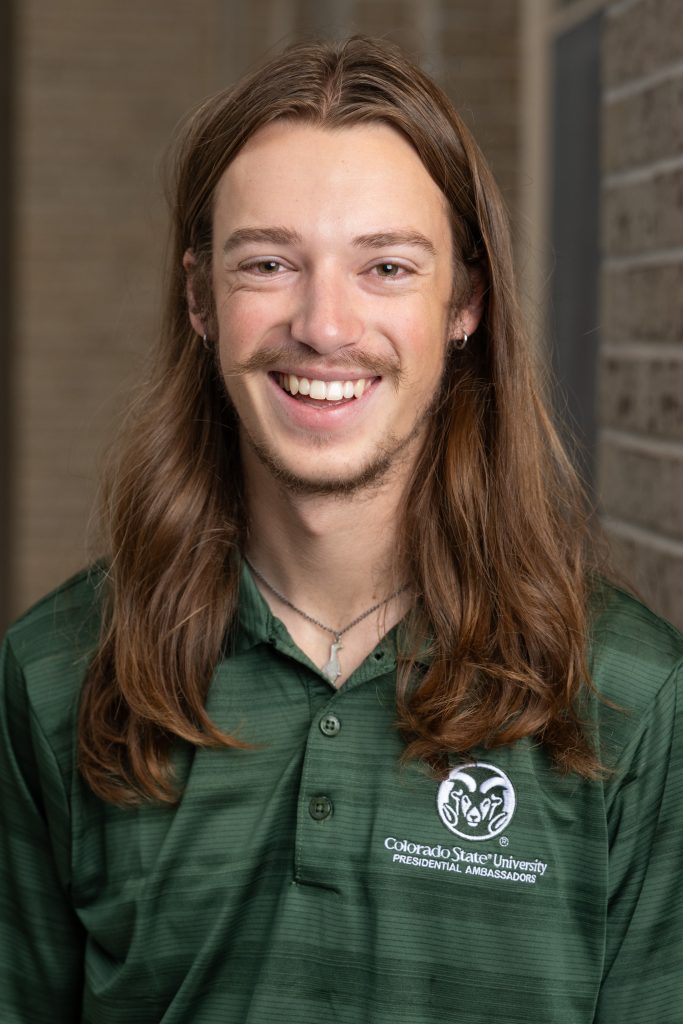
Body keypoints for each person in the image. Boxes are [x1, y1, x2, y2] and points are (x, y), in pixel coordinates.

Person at [1, 35, 682, 1024]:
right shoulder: (56, 676)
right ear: (200, 297)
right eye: (269, 261)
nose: (324, 324)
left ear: (465, 303)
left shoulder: (630, 698)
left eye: (386, 266)